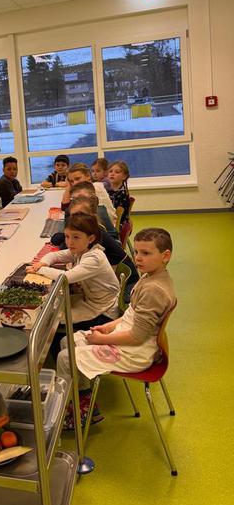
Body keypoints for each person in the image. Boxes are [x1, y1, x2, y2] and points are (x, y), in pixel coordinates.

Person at [56, 228, 176, 428]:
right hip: (129, 338)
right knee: (66, 341)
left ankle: (80, 408)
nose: (138, 258)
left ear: (165, 256)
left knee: (64, 358)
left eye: (146, 253)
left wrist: (102, 339)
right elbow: (132, 315)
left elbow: (137, 337)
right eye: (136, 252)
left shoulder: (154, 290)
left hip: (135, 352)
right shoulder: (150, 276)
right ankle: (84, 397)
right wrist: (108, 326)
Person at [26, 213, 120, 364]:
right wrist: (42, 263)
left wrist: (39, 270)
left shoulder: (94, 258)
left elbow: (66, 277)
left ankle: (62, 361)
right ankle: (57, 357)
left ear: (91, 238)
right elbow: (55, 256)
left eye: (76, 237)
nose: (70, 242)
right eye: (67, 236)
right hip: (91, 301)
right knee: (52, 311)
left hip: (104, 311)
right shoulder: (81, 250)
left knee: (52, 320)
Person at [108, 160, 132, 225]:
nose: (112, 174)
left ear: (124, 176)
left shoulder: (123, 193)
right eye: (110, 171)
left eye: (117, 172)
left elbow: (120, 215)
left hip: (119, 223)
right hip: (110, 219)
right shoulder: (106, 190)